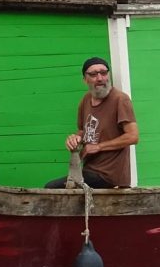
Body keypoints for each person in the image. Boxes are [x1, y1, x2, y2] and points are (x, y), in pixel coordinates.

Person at [44, 57, 139, 188]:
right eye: (93, 74)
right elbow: (83, 131)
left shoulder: (120, 100)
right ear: (85, 80)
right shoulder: (86, 100)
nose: (100, 78)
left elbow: (133, 136)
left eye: (104, 73)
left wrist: (99, 146)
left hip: (108, 175)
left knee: (52, 188)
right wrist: (75, 139)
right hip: (89, 170)